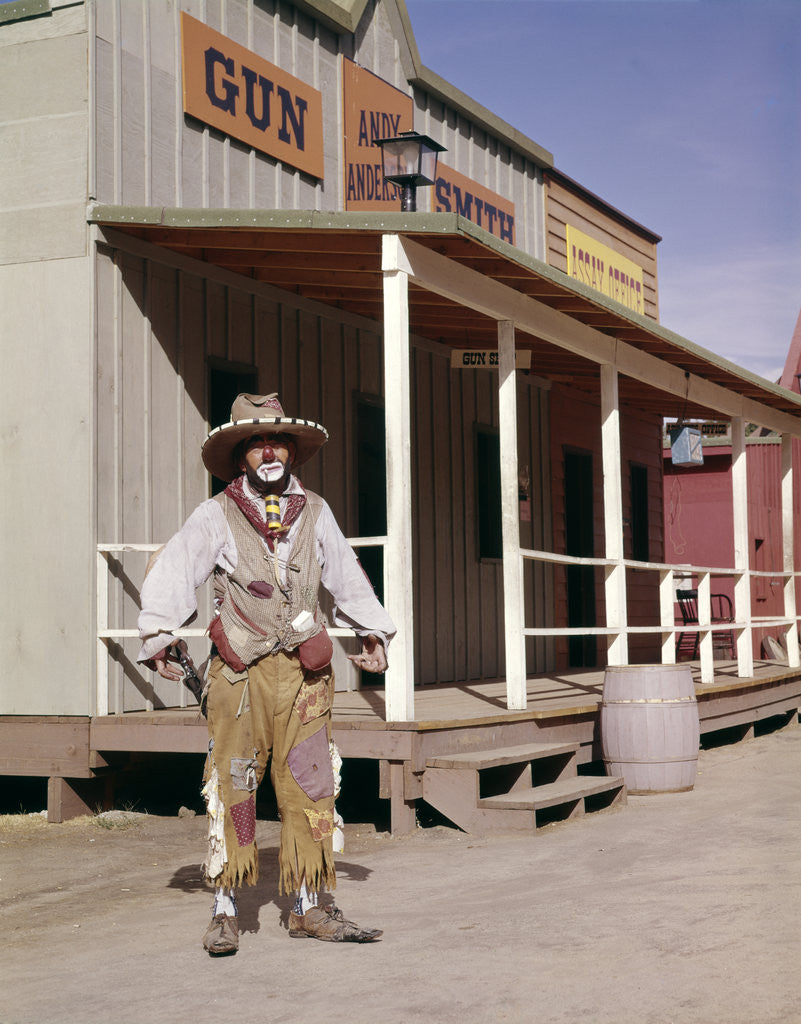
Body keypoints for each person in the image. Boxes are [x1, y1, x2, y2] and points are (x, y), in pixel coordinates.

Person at [137, 393, 395, 955]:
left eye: (277, 440)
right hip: (239, 675)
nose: (268, 450)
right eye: (256, 443)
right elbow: (177, 566)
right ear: (240, 456)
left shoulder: (317, 511)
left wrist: (373, 632)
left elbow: (347, 577)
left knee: (310, 783)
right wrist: (160, 633)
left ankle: (309, 906)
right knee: (234, 782)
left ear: (292, 451)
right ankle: (225, 909)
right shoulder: (216, 513)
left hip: (304, 676)